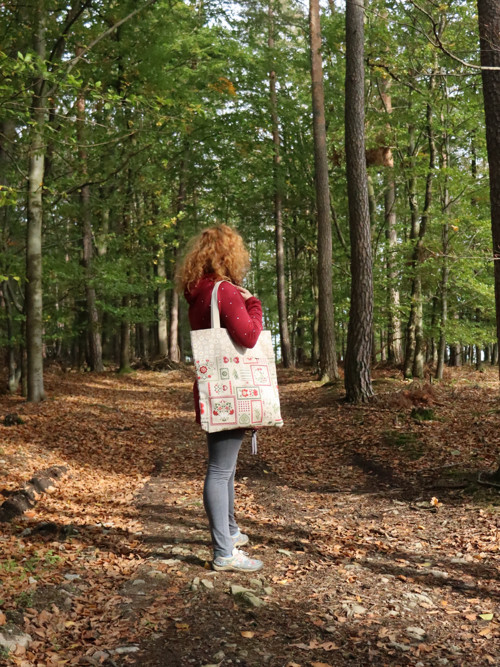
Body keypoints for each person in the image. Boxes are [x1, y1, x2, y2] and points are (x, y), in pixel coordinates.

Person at [177, 224, 264, 572]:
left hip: (211, 389)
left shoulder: (198, 293)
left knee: (223, 469)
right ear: (229, 255)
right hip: (232, 389)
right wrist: (253, 304)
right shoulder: (224, 292)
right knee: (219, 470)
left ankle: (230, 532)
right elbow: (249, 335)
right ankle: (224, 552)